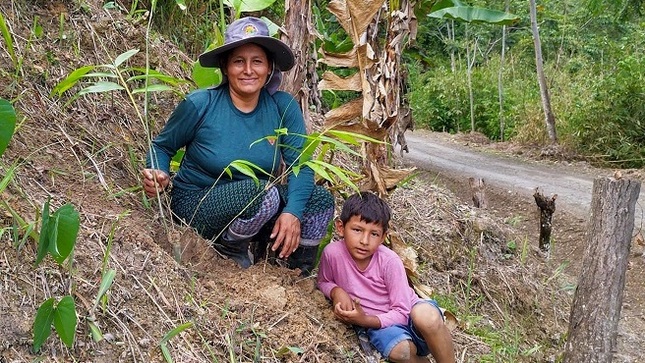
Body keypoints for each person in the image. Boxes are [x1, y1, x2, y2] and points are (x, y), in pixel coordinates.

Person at [142, 17, 334, 275]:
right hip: (198, 203)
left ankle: (292, 268)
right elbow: (161, 146)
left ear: (269, 68)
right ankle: (229, 250)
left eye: (257, 61)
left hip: (259, 208)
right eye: (238, 61)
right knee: (261, 193)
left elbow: (300, 165)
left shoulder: (283, 107)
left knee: (319, 200)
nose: (248, 70)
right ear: (225, 67)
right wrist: (158, 172)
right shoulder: (201, 103)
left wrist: (293, 213)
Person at [317, 192, 456, 363]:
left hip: (410, 318)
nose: (364, 241)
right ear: (340, 227)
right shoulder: (332, 254)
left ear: (383, 237)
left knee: (427, 317)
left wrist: (365, 320)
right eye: (357, 230)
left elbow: (403, 311)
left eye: (374, 234)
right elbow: (324, 281)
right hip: (384, 327)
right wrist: (336, 291)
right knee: (401, 352)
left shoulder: (389, 261)